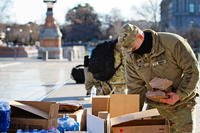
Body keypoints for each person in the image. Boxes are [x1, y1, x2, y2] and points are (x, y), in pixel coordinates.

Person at [118, 23, 199, 133]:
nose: (131, 50)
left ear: (140, 37)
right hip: (155, 106)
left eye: (132, 46)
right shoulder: (131, 56)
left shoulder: (173, 43)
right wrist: (131, 119)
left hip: (182, 104)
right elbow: (135, 88)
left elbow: (192, 70)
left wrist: (180, 95)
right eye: (128, 49)